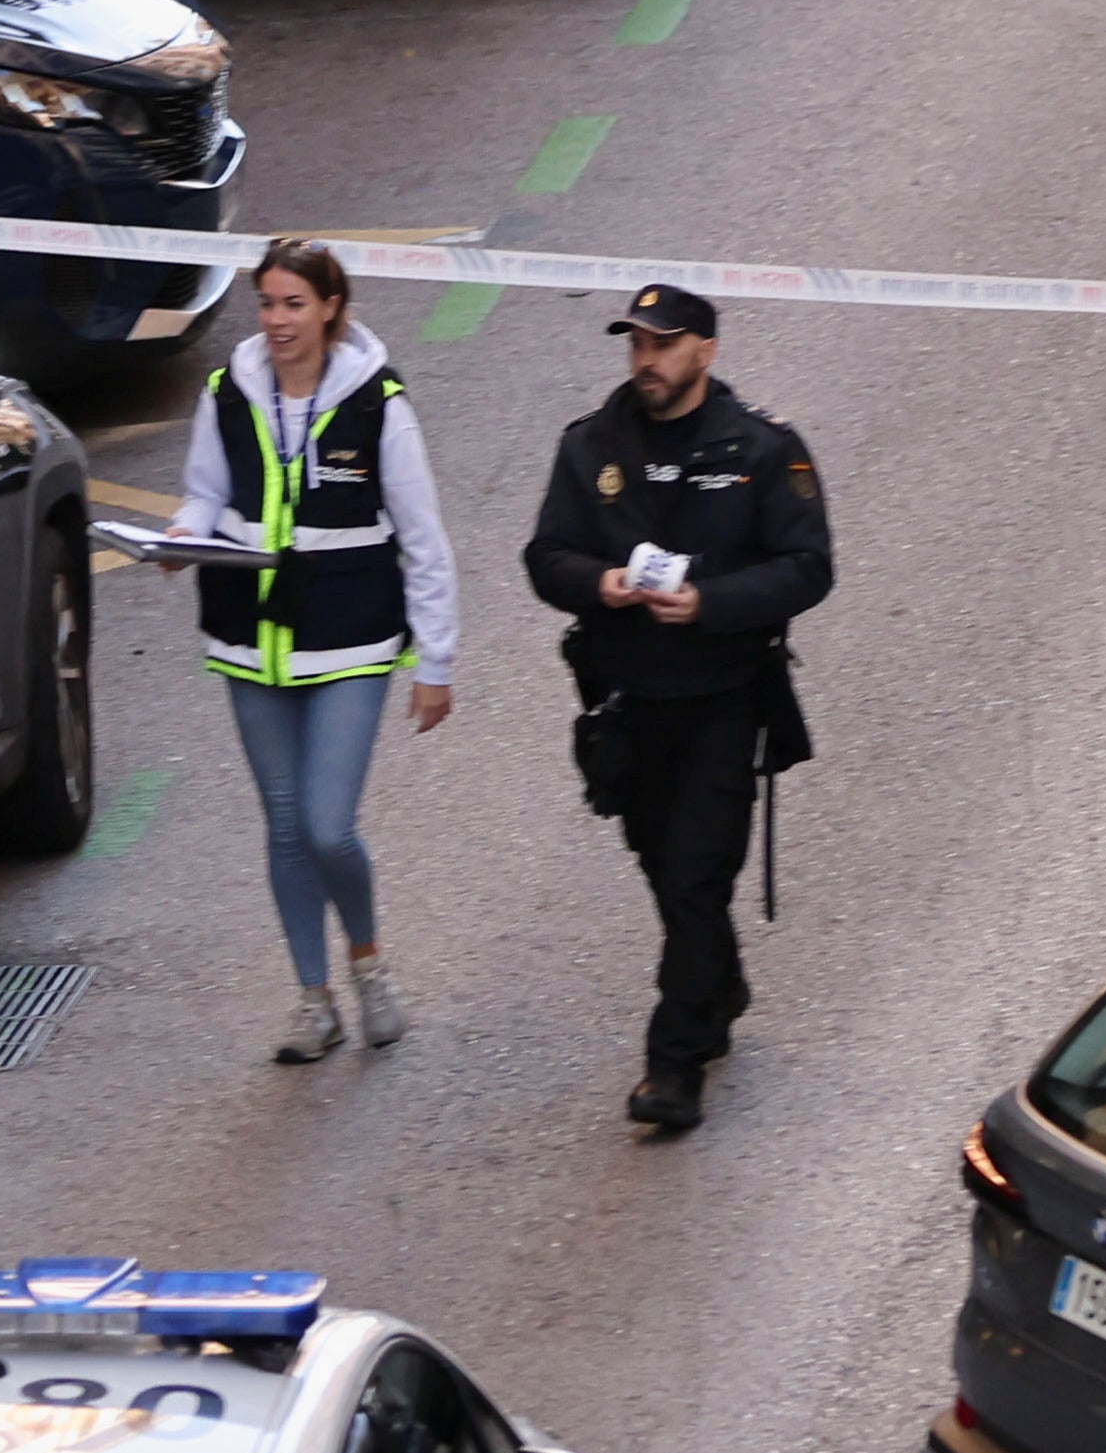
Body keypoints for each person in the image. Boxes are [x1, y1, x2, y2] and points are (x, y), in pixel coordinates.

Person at [520, 282, 830, 1135]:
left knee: (696, 876)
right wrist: (601, 583)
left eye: (663, 343)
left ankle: (674, 1063)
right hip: (626, 704)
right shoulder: (592, 447)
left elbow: (808, 567)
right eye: (636, 344)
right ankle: (718, 984)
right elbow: (546, 555)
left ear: (706, 350)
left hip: (724, 701)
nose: (645, 360)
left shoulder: (762, 449)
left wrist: (712, 604)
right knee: (667, 871)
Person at [165, 237, 464, 1060]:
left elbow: (425, 541)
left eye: (294, 304)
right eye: (266, 304)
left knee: (329, 826)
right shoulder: (229, 391)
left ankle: (368, 963)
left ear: (331, 307)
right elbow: (203, 492)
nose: (278, 321)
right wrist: (184, 536)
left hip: (351, 641)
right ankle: (313, 998)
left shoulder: (379, 404)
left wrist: (434, 662)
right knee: (285, 825)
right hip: (248, 641)